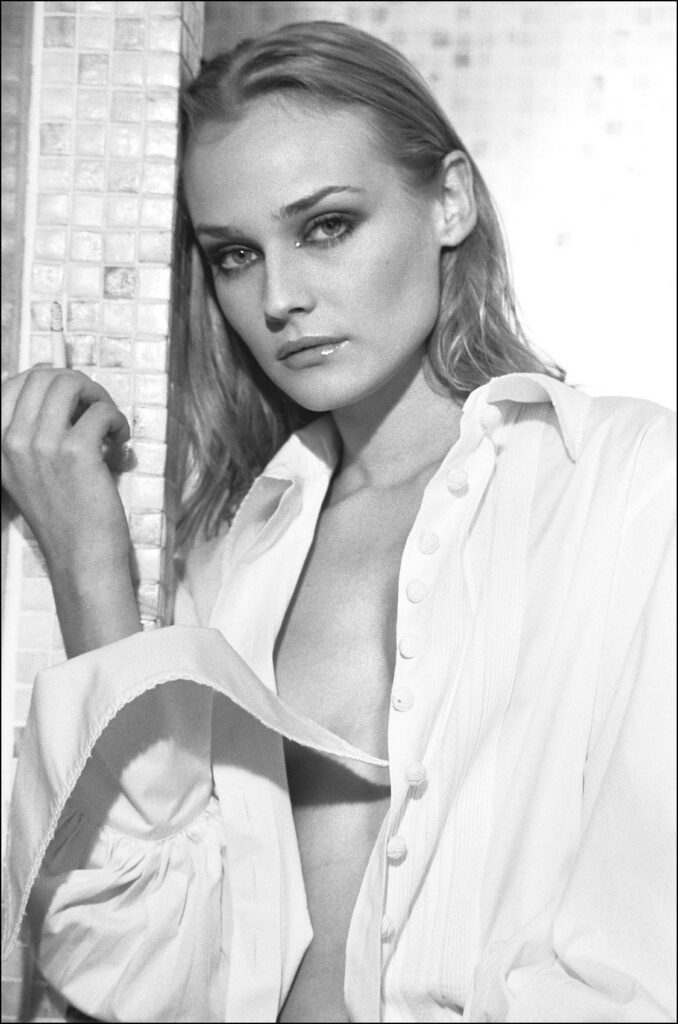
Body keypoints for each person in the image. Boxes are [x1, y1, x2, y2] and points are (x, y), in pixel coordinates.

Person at [1, 19, 675, 1024]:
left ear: (449, 202)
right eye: (235, 254)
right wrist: (90, 565)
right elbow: (142, 969)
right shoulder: (233, 560)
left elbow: (644, 948)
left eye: (326, 226)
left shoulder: (624, 483)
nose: (279, 298)